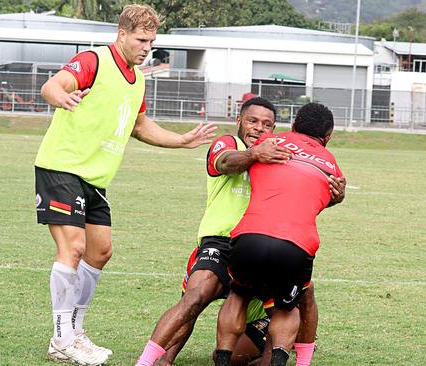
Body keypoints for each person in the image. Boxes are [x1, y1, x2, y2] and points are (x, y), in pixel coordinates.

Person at [35, 4, 216, 366]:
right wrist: (62, 96)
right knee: (73, 248)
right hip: (61, 167)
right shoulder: (93, 61)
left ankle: (75, 331)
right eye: (140, 39)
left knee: (100, 253)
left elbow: (139, 126)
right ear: (122, 34)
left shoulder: (139, 78)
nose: (146, 46)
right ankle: (61, 337)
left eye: (151, 40)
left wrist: (180, 141)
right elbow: (52, 86)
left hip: (95, 179)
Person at [136, 97, 346, 366]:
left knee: (304, 293)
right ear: (239, 121)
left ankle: (284, 353)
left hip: (256, 242)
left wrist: (335, 194)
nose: (259, 128)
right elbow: (223, 163)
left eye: (267, 124)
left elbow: (306, 194)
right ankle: (159, 360)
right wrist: (254, 154)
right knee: (197, 295)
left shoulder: (282, 152)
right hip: (221, 242)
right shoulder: (231, 144)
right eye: (252, 121)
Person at [214, 102, 343, 366]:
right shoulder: (331, 163)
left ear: (293, 126)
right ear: (328, 137)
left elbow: (237, 161)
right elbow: (327, 195)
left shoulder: (267, 142)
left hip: (248, 235)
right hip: (296, 245)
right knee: (287, 308)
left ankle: (222, 361)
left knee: (238, 294)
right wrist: (338, 197)